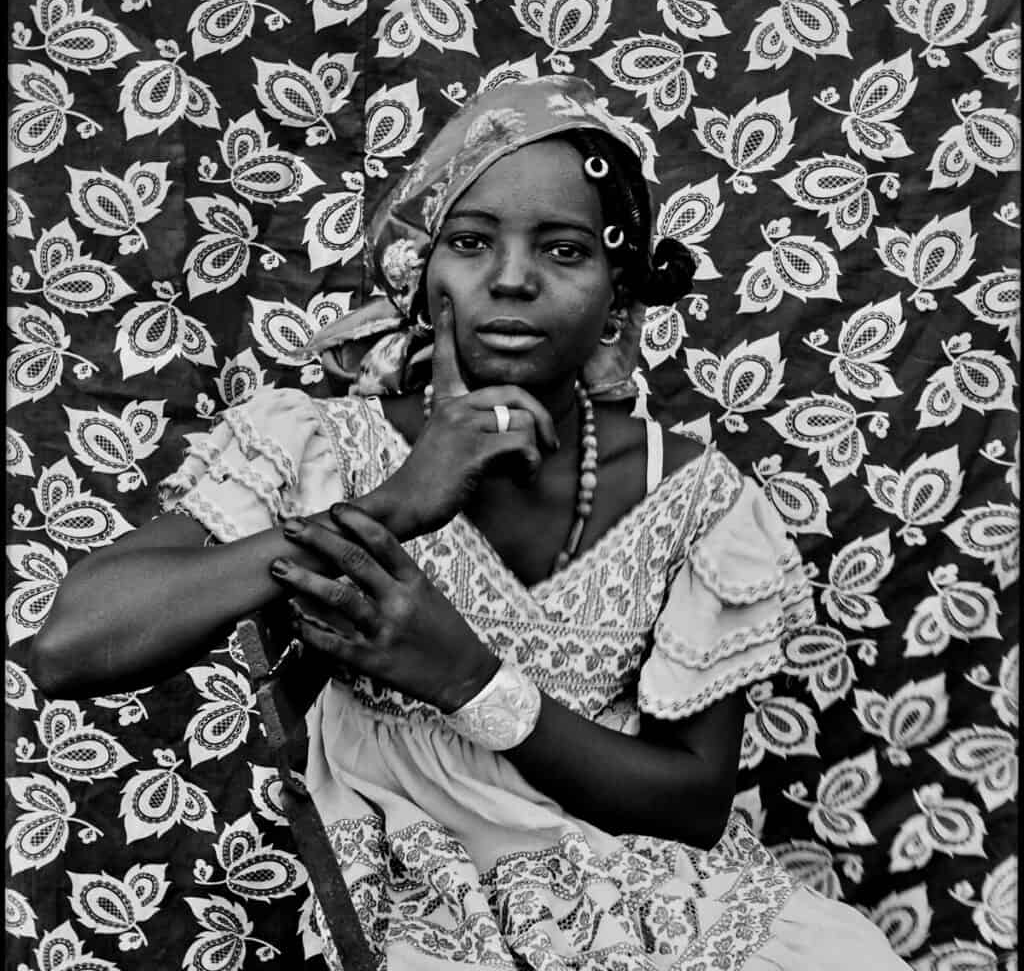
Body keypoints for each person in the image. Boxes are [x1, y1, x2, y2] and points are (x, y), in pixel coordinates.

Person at [31, 76, 911, 970]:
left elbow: (692, 804)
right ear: (422, 273)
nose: (513, 278)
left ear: (617, 295)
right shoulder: (322, 446)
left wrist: (467, 678)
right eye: (470, 241)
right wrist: (391, 504)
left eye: (564, 250)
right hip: (422, 887)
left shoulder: (695, 494)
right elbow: (70, 647)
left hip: (642, 885)